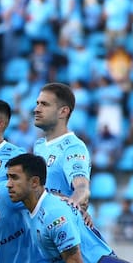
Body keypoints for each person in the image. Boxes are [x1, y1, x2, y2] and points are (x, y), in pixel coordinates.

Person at [6, 153, 114, 263]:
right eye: (7, 178)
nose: (8, 185)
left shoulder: (54, 215)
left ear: (34, 182)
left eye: (14, 178)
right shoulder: (38, 206)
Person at [32, 82, 91, 210]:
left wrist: (72, 204)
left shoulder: (73, 147)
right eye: (37, 103)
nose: (36, 109)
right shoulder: (39, 145)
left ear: (63, 112)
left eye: (44, 104)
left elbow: (82, 188)